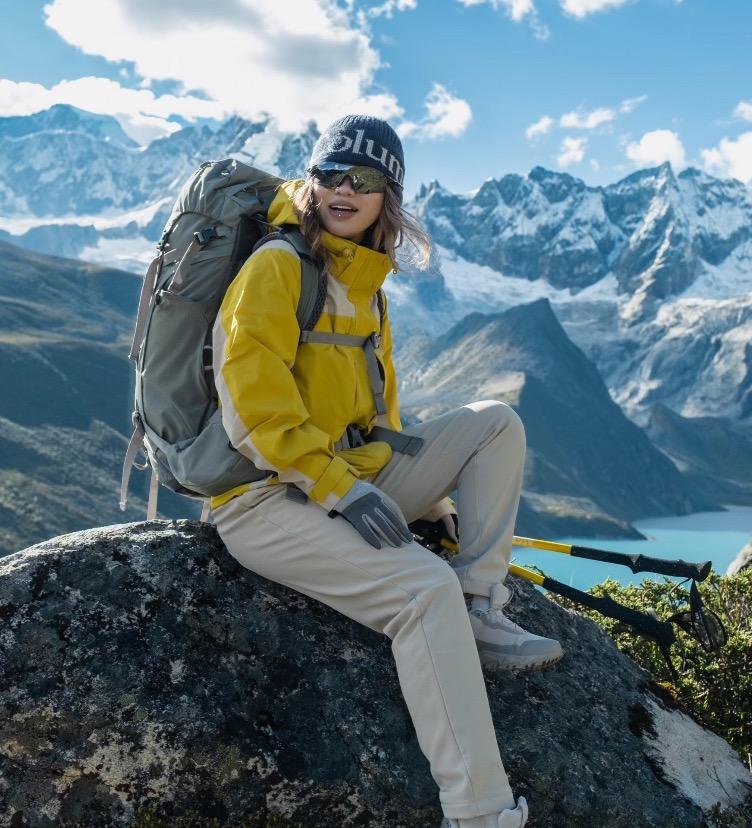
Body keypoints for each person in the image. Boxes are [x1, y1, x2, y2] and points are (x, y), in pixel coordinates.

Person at [210, 114, 563, 828]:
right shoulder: (276, 267)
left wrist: (428, 501)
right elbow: (255, 412)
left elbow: (382, 420)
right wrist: (340, 489)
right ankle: (479, 813)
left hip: (347, 479)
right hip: (263, 499)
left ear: (387, 197)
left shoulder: (365, 282)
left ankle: (480, 608)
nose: (344, 189)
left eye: (364, 178)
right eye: (330, 173)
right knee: (422, 590)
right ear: (311, 182)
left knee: (496, 423)